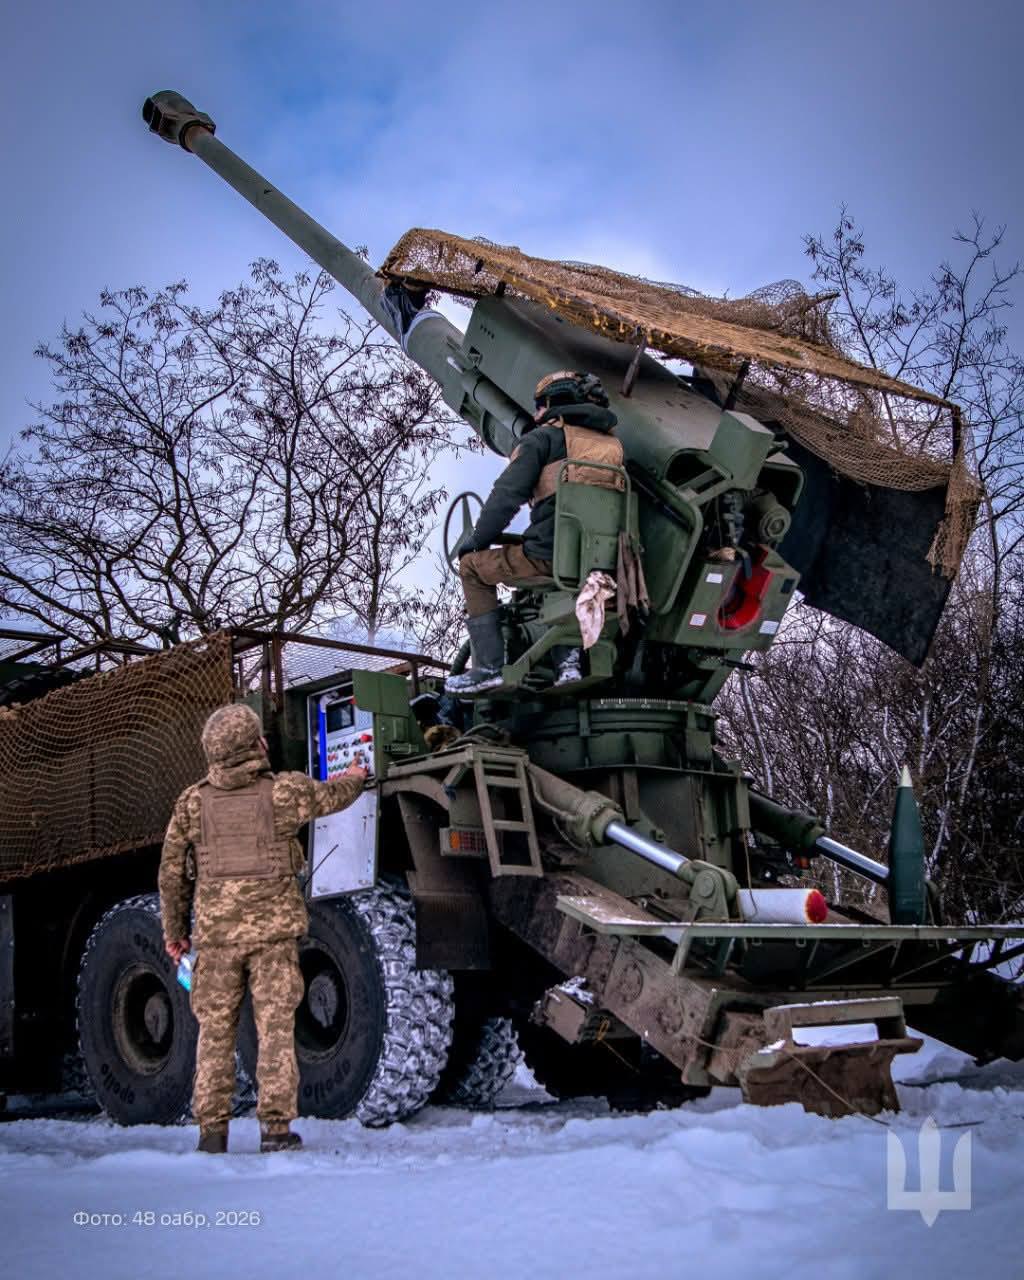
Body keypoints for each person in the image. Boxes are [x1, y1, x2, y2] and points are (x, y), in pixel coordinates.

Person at [159, 703, 368, 1154]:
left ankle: (211, 1134)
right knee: (275, 1030)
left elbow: (171, 874)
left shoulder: (192, 803)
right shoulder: (283, 793)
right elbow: (334, 796)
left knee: (214, 1034)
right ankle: (275, 1130)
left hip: (216, 942)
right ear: (254, 745)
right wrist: (356, 773)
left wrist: (175, 932)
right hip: (273, 938)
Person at [445, 369, 623, 695]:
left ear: (554, 403)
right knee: (561, 579)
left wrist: (477, 541)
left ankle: (487, 668)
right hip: (602, 566)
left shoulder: (542, 439)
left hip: (547, 559)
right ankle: (568, 662)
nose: (537, 413)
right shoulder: (614, 448)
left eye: (540, 405)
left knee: (472, 568)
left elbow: (506, 497)